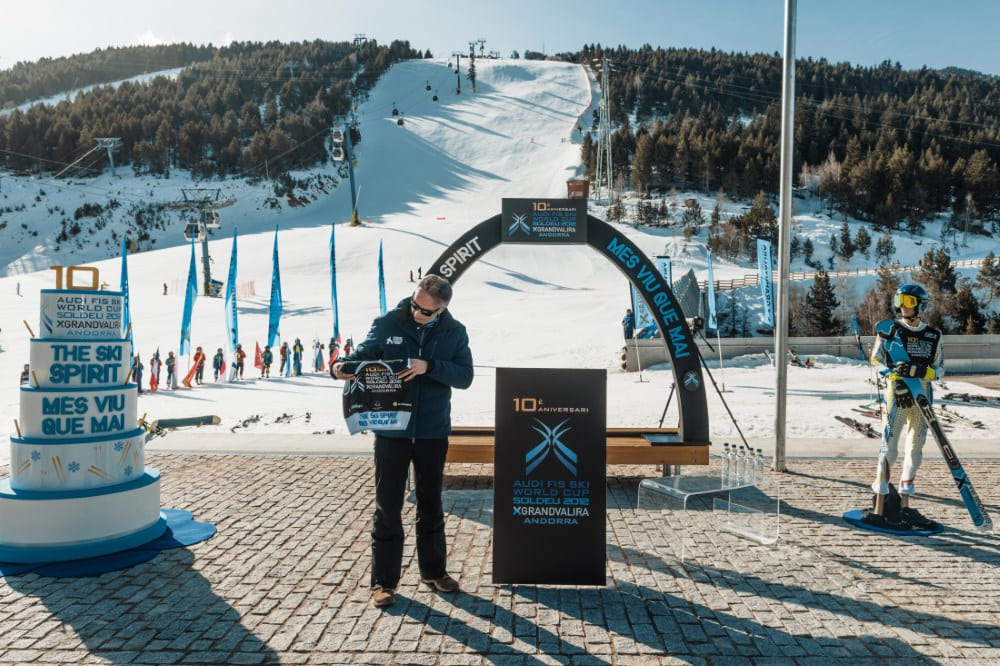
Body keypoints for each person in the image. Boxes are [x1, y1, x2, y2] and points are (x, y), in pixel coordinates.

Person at [333, 275, 474, 609]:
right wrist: (339, 366)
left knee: (430, 503)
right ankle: (384, 582)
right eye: (414, 304)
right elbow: (361, 356)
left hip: (432, 430)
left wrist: (430, 366)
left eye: (425, 312)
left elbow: (465, 376)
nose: (416, 314)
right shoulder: (387, 323)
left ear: (441, 311)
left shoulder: (455, 332)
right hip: (391, 430)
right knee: (388, 505)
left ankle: (434, 571)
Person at [863, 284, 942, 530]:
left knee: (915, 450)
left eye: (908, 301)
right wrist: (893, 378)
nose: (902, 306)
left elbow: (939, 369)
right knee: (889, 448)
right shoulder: (890, 331)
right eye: (899, 301)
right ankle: (879, 505)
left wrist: (924, 371)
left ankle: (905, 503)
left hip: (922, 397)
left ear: (919, 305)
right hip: (896, 396)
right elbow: (875, 360)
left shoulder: (933, 335)